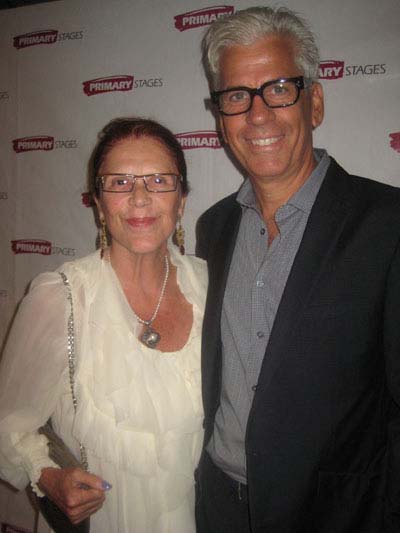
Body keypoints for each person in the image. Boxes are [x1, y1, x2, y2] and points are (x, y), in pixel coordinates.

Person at [195, 6, 400, 533]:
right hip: (219, 508)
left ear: (316, 101)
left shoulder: (387, 225)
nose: (257, 115)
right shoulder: (213, 228)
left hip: (337, 517)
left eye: (279, 88)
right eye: (237, 96)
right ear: (220, 115)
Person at [0, 117, 207, 532]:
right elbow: (8, 422)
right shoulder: (60, 296)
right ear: (98, 202)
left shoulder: (208, 284)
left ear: (181, 200)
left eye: (159, 181)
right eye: (120, 182)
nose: (140, 198)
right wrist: (47, 475)